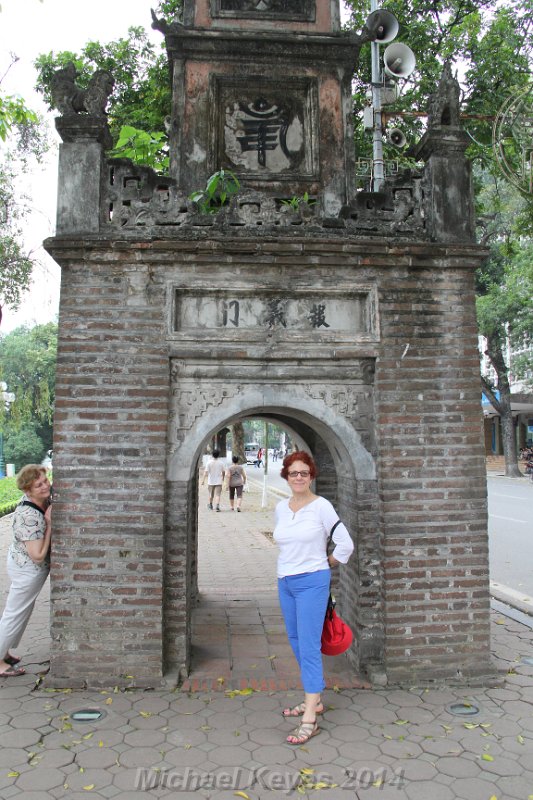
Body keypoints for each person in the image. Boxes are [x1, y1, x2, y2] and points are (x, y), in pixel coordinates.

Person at [274, 450, 354, 745]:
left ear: (311, 477)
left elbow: (345, 543)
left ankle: (310, 717)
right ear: (286, 475)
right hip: (285, 581)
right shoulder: (282, 508)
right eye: (293, 473)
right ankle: (315, 698)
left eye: (303, 473)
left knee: (308, 646)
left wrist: (328, 562)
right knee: (295, 640)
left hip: (312, 582)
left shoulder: (322, 507)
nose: (298, 478)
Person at [0, 464, 52, 678]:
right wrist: (49, 524)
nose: (44, 486)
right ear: (27, 491)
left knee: (21, 612)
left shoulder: (41, 500)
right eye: (37, 485)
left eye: (45, 481)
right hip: (27, 570)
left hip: (26, 566)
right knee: (14, 614)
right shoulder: (27, 515)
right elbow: (38, 555)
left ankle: (5, 653)